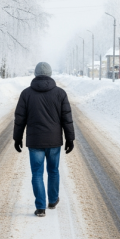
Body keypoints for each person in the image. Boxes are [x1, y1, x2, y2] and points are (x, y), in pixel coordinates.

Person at [13, 62, 75, 217]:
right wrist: (70, 138)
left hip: (35, 141)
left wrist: (17, 138)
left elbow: (19, 119)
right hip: (54, 141)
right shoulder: (60, 93)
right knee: (53, 170)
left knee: (37, 173)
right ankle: (53, 200)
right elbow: (67, 119)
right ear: (50, 74)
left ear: (35, 74)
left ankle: (40, 207)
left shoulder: (26, 94)